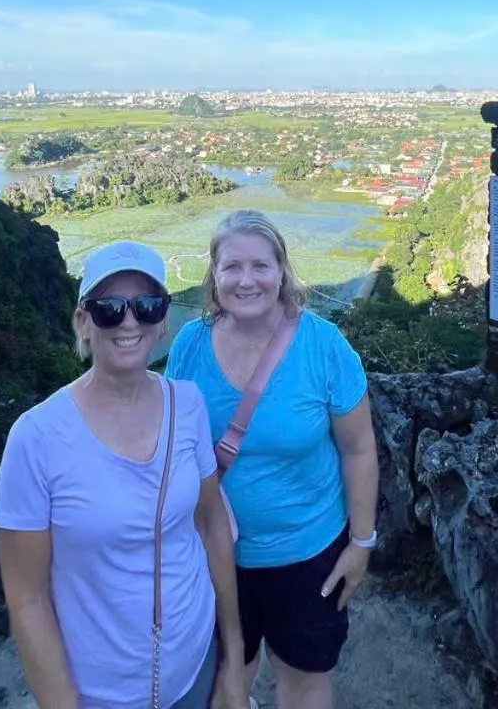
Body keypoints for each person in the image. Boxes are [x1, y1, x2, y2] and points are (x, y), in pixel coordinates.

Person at [0, 240, 249, 709]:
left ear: (162, 322)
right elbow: (27, 597)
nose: (130, 321)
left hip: (196, 664)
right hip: (99, 692)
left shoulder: (187, 404)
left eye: (148, 306)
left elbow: (212, 525)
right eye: (109, 308)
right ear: (83, 323)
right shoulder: (35, 438)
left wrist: (233, 659)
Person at [166, 210, 380, 709]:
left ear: (282, 271)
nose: (246, 280)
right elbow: (175, 446)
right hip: (215, 555)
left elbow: (359, 447)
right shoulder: (190, 345)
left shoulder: (323, 347)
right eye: (231, 267)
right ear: (213, 277)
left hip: (308, 554)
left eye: (260, 266)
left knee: (303, 679)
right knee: (227, 678)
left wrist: (362, 544)